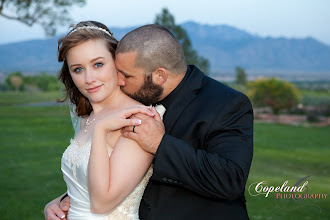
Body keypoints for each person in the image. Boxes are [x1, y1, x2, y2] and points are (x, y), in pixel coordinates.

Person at [55, 24, 254, 219]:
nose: (120, 82)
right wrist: (67, 200)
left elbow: (230, 180)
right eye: (78, 69)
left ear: (160, 75)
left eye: (126, 75)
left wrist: (160, 144)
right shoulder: (134, 97)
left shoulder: (225, 103)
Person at [44, 21, 164, 220]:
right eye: (78, 69)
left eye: (98, 64)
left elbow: (102, 203)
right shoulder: (85, 118)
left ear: (117, 63)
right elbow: (83, 185)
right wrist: (57, 202)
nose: (89, 78)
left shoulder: (137, 119)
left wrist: (101, 129)